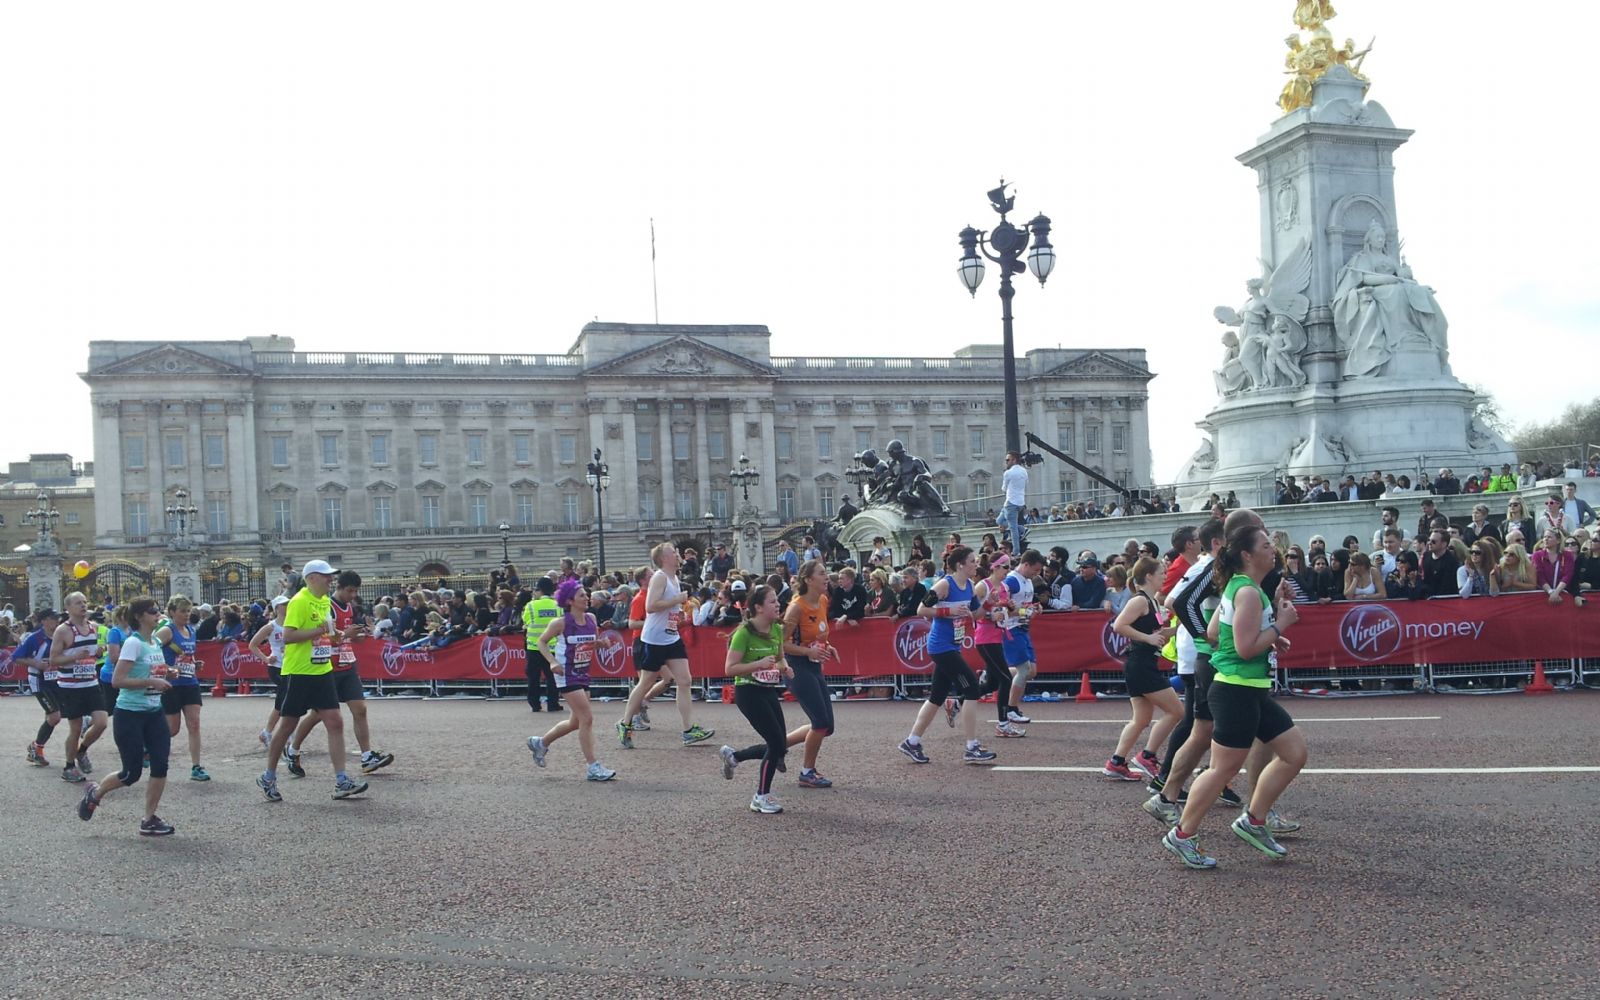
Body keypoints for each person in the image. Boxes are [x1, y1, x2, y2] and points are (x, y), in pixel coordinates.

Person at [1163, 524, 1306, 869]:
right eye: (1266, 545)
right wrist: (1279, 626)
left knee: (1294, 753)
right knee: (1221, 770)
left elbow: (1214, 632)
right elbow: (1242, 649)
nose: (1273, 549)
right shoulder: (1246, 592)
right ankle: (1181, 835)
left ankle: (1253, 820)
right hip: (1236, 689)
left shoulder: (1241, 587)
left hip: (1248, 688)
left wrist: (1268, 636)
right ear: (1247, 554)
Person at [257, 559, 370, 803]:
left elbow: (330, 638)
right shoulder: (299, 601)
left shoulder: (323, 602)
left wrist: (344, 636)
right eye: (326, 575)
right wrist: (322, 631)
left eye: (331, 576)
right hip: (299, 672)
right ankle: (268, 775)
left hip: (322, 670)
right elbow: (288, 636)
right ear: (311, 578)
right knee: (287, 725)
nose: (331, 580)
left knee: (335, 722)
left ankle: (341, 780)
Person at [74, 597, 176, 836]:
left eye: (157, 610)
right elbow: (118, 680)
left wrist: (168, 673)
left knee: (161, 765)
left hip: (154, 712)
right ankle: (95, 793)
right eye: (152, 611)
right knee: (131, 773)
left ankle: (149, 819)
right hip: (130, 713)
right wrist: (151, 681)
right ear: (139, 616)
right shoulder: (133, 643)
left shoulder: (155, 643)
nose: (157, 614)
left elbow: (152, 670)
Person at [287, 570, 395, 777]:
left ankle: (367, 757)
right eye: (350, 591)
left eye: (355, 591)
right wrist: (347, 635)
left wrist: (358, 636)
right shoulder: (327, 605)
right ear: (339, 588)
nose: (353, 595)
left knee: (360, 709)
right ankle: (293, 748)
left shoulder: (348, 607)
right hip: (328, 666)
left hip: (347, 663)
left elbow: (347, 637)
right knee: (317, 715)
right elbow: (327, 636)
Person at [897, 546, 997, 765]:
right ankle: (971, 747)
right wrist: (946, 612)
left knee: (937, 696)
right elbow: (921, 609)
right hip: (941, 646)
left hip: (953, 645)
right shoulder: (944, 585)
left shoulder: (969, 586)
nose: (975, 565)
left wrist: (989, 603)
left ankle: (912, 742)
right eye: (971, 561)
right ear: (960, 564)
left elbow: (975, 614)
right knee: (971, 687)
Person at [616, 543, 713, 749]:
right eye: (673, 552)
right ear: (664, 558)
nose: (678, 555)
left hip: (671, 637)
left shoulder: (674, 578)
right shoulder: (660, 577)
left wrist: (677, 611)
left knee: (685, 680)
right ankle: (625, 723)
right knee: (646, 683)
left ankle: (688, 730)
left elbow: (666, 607)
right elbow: (651, 606)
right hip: (654, 639)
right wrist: (676, 600)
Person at [526, 580, 617, 782]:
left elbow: (590, 644)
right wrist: (551, 662)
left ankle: (541, 742)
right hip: (566, 673)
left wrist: (601, 644)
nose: (587, 598)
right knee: (587, 718)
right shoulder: (561, 623)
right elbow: (541, 641)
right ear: (569, 601)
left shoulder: (592, 619)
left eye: (587, 595)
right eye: (582, 596)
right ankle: (593, 766)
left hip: (583, 672)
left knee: (575, 722)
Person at [717, 585, 793, 814]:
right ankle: (761, 796)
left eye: (777, 601)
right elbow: (730, 669)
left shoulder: (777, 630)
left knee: (780, 747)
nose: (778, 605)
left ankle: (735, 756)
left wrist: (785, 669)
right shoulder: (744, 633)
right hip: (748, 691)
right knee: (777, 744)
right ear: (758, 607)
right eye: (772, 602)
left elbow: (779, 659)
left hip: (768, 690)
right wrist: (757, 664)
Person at [1104, 556, 1181, 782]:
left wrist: (1179, 629)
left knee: (1141, 719)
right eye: (1161, 573)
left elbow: (1157, 634)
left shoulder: (1153, 602)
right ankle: (1147, 756)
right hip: (1141, 665)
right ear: (1148, 576)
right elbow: (1119, 625)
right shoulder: (1140, 601)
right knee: (1177, 712)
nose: (1165, 577)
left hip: (1143, 664)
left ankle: (1116, 763)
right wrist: (1147, 638)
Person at [781, 559, 840, 788]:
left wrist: (828, 646)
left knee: (827, 727)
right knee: (820, 722)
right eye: (822, 573)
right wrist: (808, 651)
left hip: (813, 665)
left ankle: (778, 747)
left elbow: (819, 634)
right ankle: (807, 772)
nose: (827, 577)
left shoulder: (823, 600)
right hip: (796, 667)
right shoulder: (796, 607)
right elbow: (781, 644)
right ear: (808, 580)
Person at [48, 592, 109, 784]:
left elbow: (93, 654)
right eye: (78, 603)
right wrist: (74, 657)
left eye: (84, 602)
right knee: (75, 729)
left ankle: (81, 751)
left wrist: (100, 651)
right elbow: (53, 659)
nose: (83, 606)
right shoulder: (63, 631)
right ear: (68, 608)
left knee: (101, 722)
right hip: (70, 686)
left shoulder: (94, 628)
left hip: (90, 683)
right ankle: (69, 766)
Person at [153, 595, 209, 782]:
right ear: (172, 612)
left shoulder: (191, 630)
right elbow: (150, 651)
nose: (186, 614)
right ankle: (149, 747)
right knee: (172, 729)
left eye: (188, 611)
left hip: (190, 683)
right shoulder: (167, 631)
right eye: (182, 611)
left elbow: (186, 655)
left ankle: (196, 766)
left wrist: (195, 664)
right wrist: (166, 669)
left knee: (194, 724)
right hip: (172, 685)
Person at [970, 553, 1023, 739]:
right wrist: (990, 616)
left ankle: (958, 701)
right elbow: (972, 612)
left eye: (1010, 567)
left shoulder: (1005, 587)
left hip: (998, 636)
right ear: (995, 567)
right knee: (1006, 679)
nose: (1009, 571)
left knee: (992, 682)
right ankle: (1003, 724)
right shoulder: (982, 586)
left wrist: (1027, 610)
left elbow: (1012, 610)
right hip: (985, 639)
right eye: (1006, 567)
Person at [1000, 549, 1045, 726]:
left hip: (1023, 627)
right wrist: (1026, 611)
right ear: (1025, 565)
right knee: (1024, 670)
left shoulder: (1028, 581)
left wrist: (1034, 608)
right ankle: (1011, 709)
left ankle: (993, 674)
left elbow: (1023, 606)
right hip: (1012, 628)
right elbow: (1002, 607)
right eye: (1035, 569)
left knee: (1031, 671)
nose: (1037, 574)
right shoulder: (1011, 581)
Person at [20, 609, 61, 766]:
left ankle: (36, 748)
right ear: (43, 621)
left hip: (56, 681)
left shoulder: (60, 635)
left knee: (54, 717)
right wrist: (37, 664)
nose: (56, 622)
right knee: (54, 717)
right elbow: (17, 657)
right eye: (52, 619)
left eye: (57, 618)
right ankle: (36, 748)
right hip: (39, 681)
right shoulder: (35, 638)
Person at [251, 595, 290, 748]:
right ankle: (276, 734)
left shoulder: (294, 624)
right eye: (283, 604)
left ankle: (269, 733)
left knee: (286, 702)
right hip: (277, 667)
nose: (287, 606)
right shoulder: (271, 626)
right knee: (284, 702)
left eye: (288, 604)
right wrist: (266, 658)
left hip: (292, 666)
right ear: (277, 608)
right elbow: (253, 645)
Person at [522, 577, 562, 713]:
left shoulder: (531, 605)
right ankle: (553, 704)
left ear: (540, 590)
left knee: (533, 677)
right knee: (552, 677)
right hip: (552, 647)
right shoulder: (558, 605)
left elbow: (526, 622)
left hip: (534, 646)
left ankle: (535, 704)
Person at [1532, 529, 1577, 606]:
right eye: (1544, 537)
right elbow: (1539, 576)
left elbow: (1567, 575)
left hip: (1562, 595)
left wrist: (1556, 592)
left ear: (1558, 541)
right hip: (1543, 595)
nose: (1545, 539)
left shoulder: (1567, 555)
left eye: (1549, 537)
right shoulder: (1537, 555)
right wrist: (1550, 592)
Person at [1001, 450, 1029, 552]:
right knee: (999, 520)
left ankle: (1016, 551)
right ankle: (1021, 528)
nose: (1006, 462)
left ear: (1014, 460)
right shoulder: (1024, 471)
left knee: (1013, 529)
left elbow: (1003, 488)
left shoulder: (1008, 473)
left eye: (1008, 460)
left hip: (1011, 502)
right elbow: (1026, 484)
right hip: (1021, 502)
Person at [1420, 530, 1461, 597]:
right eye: (1429, 540)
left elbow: (1448, 586)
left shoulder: (1451, 561)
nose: (1429, 543)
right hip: (1427, 598)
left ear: (1444, 544)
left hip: (1444, 598)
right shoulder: (1426, 556)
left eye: (1433, 541)